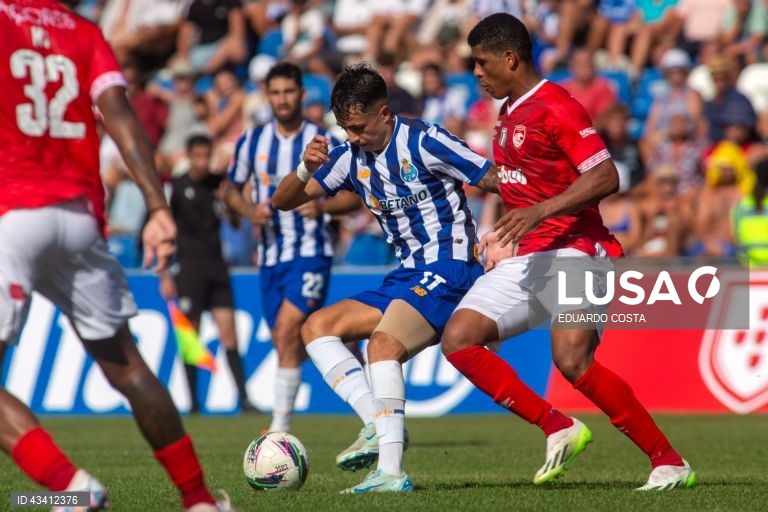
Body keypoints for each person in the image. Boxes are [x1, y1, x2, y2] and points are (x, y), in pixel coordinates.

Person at [440, 13, 696, 491]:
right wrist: (502, 232)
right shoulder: (508, 112)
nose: (474, 72)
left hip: (580, 248)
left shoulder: (557, 105)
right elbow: (524, 187)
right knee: (459, 338)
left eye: (480, 62)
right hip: (528, 256)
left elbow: (606, 177)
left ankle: (669, 461)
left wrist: (539, 213)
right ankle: (558, 425)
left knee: (573, 359)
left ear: (509, 58)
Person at [0, 1, 233, 511]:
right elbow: (121, 115)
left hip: (12, 212)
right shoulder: (86, 32)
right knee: (128, 368)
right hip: (81, 219)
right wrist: (157, 206)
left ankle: (72, 490)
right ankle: (199, 502)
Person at [272, 63, 500, 493]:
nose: (352, 137)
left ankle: (392, 473)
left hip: (451, 267)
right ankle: (377, 424)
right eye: (345, 129)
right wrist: (304, 169)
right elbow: (282, 202)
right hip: (407, 275)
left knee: (382, 346)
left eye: (358, 127)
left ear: (384, 113)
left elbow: (491, 178)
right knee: (317, 328)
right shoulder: (348, 157)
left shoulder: (425, 140)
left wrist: (538, 215)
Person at [225, 62, 359, 434]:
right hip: (269, 258)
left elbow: (355, 198)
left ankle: (280, 428)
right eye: (276, 92)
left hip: (311, 252)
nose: (282, 100)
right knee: (290, 341)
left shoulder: (322, 140)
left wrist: (324, 206)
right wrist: (250, 211)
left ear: (301, 94)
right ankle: (347, 345)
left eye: (289, 91)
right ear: (267, 97)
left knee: (286, 331)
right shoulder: (251, 142)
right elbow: (230, 191)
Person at [159, 134, 257, 414]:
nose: (203, 162)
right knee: (192, 336)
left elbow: (236, 223)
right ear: (189, 156)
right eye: (198, 156)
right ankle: (193, 404)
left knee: (230, 334)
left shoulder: (219, 184)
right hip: (189, 266)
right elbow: (165, 230)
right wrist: (165, 274)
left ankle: (245, 400)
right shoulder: (178, 187)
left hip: (217, 265)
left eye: (206, 156)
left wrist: (227, 202)